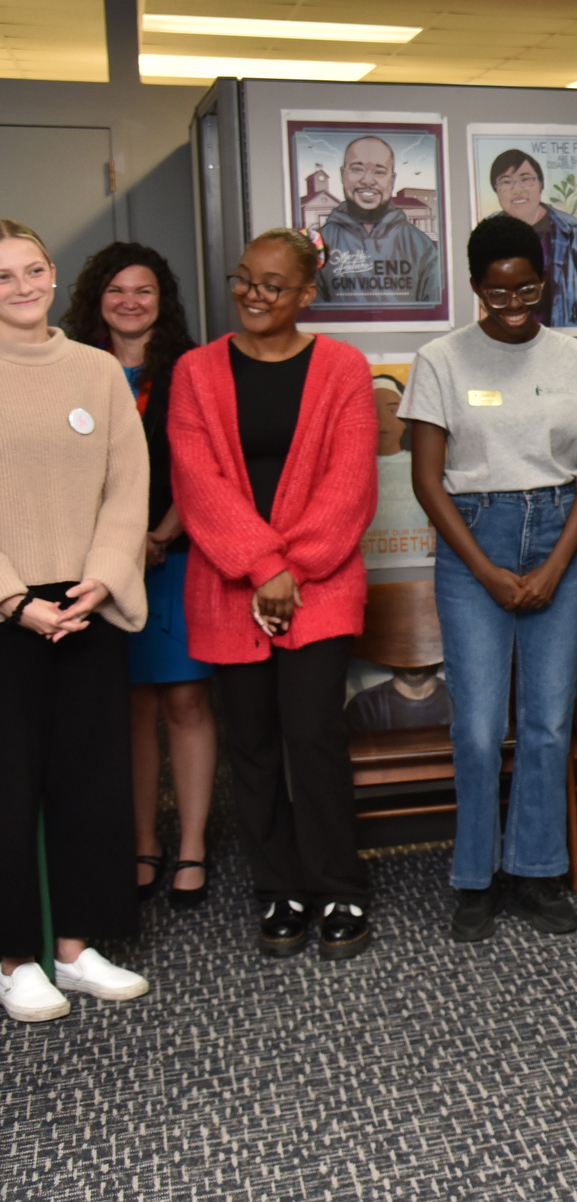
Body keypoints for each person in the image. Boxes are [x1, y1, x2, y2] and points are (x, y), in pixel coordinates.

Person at [403, 213, 577, 942]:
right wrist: (488, 570)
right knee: (478, 726)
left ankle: (537, 871)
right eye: (498, 291)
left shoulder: (576, 358)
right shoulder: (442, 360)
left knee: (549, 722)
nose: (515, 302)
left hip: (560, 535)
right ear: (475, 288)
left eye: (527, 286)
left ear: (544, 279)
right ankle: (475, 878)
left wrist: (557, 561)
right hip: (474, 540)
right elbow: (428, 481)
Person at [168, 228, 379, 961]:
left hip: (319, 586)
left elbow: (350, 486)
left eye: (273, 285)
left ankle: (339, 885)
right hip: (231, 587)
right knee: (251, 745)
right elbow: (199, 484)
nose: (254, 295)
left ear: (307, 294)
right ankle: (278, 889)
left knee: (314, 738)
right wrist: (264, 570)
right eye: (244, 280)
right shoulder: (196, 372)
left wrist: (294, 569)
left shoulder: (343, 368)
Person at [0, 219, 152, 1022]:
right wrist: (15, 601)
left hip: (86, 599)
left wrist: (100, 582)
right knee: (8, 784)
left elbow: (128, 487)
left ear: (54, 274)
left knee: (91, 780)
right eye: (4, 278)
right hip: (6, 607)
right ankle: (15, 958)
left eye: (33, 270)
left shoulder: (96, 371)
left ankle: (78, 948)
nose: (24, 287)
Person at [63, 242, 216, 909]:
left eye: (145, 290)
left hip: (175, 557)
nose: (131, 302)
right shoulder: (74, 370)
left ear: (164, 299)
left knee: (184, 701)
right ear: (96, 297)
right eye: (117, 290)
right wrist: (116, 547)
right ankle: (142, 841)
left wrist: (158, 534)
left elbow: (203, 466)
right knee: (129, 710)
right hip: (99, 569)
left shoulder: (190, 368)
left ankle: (193, 846)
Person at [488, 149, 577, 329]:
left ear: (540, 184)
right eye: (506, 182)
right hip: (506, 337)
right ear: (496, 190)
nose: (516, 189)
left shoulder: (572, 230)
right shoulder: (487, 232)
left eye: (526, 179)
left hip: (556, 335)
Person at [313, 136, 443, 307]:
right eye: (357, 169)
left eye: (379, 172)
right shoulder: (318, 244)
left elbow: (432, 312)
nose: (367, 180)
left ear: (392, 179)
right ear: (343, 175)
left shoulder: (422, 247)